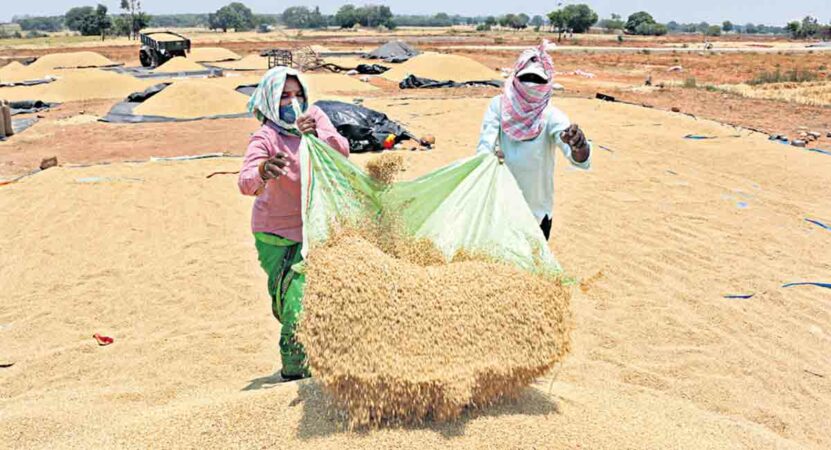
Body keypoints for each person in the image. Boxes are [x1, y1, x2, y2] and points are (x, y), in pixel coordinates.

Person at [238, 67, 350, 381]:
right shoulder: (266, 137)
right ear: (270, 102)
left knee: (309, 297)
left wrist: (316, 135)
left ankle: (305, 362)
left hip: (315, 226)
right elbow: (245, 182)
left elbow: (342, 151)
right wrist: (264, 170)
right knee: (291, 299)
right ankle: (297, 370)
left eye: (298, 94)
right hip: (275, 232)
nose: (294, 102)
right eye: (284, 96)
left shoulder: (315, 117)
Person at [476, 41, 591, 240]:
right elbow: (484, 148)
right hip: (500, 208)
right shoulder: (499, 107)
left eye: (537, 79)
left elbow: (578, 158)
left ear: (546, 84)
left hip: (537, 213)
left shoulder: (552, 116)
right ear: (515, 78)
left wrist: (579, 146)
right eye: (526, 78)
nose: (530, 85)